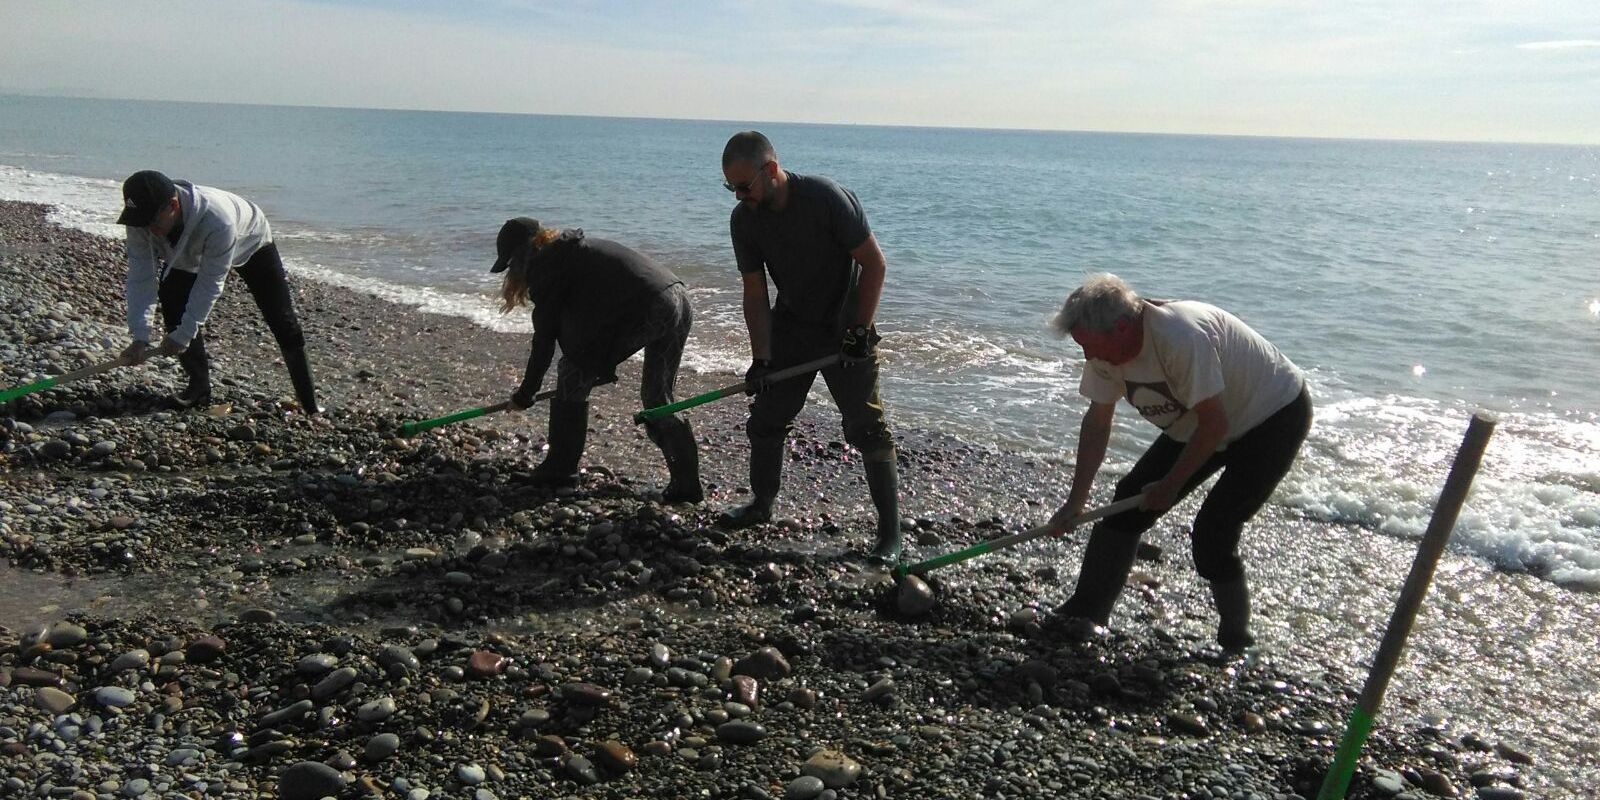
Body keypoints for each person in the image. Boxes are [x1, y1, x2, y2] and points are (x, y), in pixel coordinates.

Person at [1045, 273, 1312, 649]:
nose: (1089, 357)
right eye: (1081, 347)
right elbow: (1097, 422)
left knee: (1214, 531)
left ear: (1122, 328)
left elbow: (1215, 424)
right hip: (1197, 419)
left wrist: (1170, 486)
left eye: (1091, 347)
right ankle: (1087, 610)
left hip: (1271, 416)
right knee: (1127, 503)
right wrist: (1076, 501)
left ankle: (1237, 636)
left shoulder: (1180, 337)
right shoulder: (1104, 347)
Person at [718, 131, 902, 565]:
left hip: (845, 328)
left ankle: (891, 537)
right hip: (793, 329)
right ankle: (761, 504)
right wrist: (761, 357)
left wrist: (860, 331)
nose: (740, 197)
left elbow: (874, 264)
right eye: (731, 189)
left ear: (772, 170)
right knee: (766, 417)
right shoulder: (744, 221)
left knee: (867, 427)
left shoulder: (826, 198)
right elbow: (755, 293)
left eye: (745, 186)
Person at [493, 217, 701, 502]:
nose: (513, 273)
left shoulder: (549, 268)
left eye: (511, 263)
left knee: (571, 373)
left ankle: (560, 470)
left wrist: (525, 393)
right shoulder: (572, 251)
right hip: (678, 296)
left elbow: (544, 343)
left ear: (522, 255)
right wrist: (598, 364)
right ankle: (687, 487)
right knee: (658, 398)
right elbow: (590, 322)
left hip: (650, 306)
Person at [115, 170, 319, 412]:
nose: (148, 229)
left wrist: (184, 335)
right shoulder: (142, 221)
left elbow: (210, 284)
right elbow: (141, 278)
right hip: (187, 251)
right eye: (142, 221)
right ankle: (199, 389)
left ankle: (309, 405)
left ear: (172, 205)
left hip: (250, 241)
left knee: (282, 319)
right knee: (172, 298)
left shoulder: (218, 221)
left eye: (153, 221)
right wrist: (140, 336)